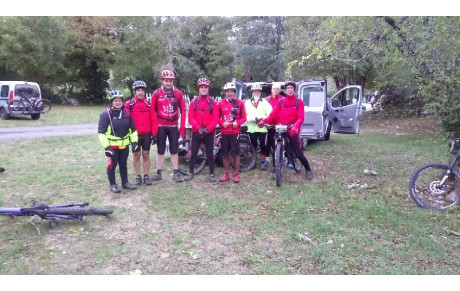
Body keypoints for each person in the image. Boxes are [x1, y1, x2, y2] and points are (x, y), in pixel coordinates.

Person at [259, 81, 314, 180]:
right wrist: (263, 121)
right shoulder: (281, 101)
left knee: (298, 153)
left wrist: (295, 126)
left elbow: (301, 118)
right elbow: (273, 115)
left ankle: (308, 170)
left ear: (294, 89)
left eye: (291, 88)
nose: (289, 89)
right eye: (287, 88)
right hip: (282, 128)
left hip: (293, 130)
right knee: (276, 148)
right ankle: (276, 166)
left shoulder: (299, 102)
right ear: (285, 90)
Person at [98, 90, 138, 193]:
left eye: (120, 100)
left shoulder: (127, 113)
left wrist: (134, 142)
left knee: (123, 165)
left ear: (122, 101)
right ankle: (113, 185)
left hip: (125, 146)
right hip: (112, 147)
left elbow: (132, 129)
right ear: (111, 101)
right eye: (115, 100)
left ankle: (125, 183)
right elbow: (101, 132)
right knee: (112, 166)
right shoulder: (106, 114)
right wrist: (106, 147)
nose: (118, 102)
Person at [151, 70, 187, 182]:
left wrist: (182, 129)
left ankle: (176, 173)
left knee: (174, 150)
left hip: (173, 126)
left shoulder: (178, 93)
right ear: (162, 81)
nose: (168, 83)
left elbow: (183, 111)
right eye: (166, 81)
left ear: (173, 82)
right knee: (160, 150)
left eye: (170, 81)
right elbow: (152, 111)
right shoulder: (156, 93)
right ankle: (158, 173)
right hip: (161, 126)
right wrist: (154, 129)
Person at [184, 78, 219, 182]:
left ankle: (212, 174)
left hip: (208, 132)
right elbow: (190, 118)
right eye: (202, 87)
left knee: (210, 153)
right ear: (199, 89)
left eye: (205, 87)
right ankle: (191, 172)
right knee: (193, 152)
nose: (203, 89)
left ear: (208, 89)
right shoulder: (194, 102)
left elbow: (215, 118)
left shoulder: (213, 103)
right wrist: (198, 128)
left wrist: (208, 129)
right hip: (196, 131)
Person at [124, 80, 153, 186]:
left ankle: (146, 175)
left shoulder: (149, 104)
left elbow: (153, 119)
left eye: (142, 90)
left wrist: (154, 133)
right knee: (136, 155)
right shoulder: (129, 104)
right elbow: (125, 120)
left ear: (144, 91)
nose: (140, 92)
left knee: (146, 155)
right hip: (134, 134)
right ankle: (138, 176)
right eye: (138, 90)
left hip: (146, 134)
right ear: (135, 92)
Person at [218, 82, 247, 183]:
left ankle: (236, 174)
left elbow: (244, 118)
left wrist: (238, 123)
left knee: (236, 154)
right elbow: (217, 118)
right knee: (225, 154)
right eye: (227, 91)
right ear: (225, 92)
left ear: (234, 92)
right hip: (225, 133)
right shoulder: (221, 103)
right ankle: (226, 174)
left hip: (235, 133)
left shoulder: (240, 103)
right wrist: (222, 124)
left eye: (231, 91)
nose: (229, 93)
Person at [244, 84, 272, 171]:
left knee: (263, 145)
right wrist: (250, 119)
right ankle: (254, 161)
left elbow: (270, 114)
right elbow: (244, 115)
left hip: (262, 128)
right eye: (255, 91)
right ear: (252, 92)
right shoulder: (247, 103)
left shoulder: (265, 103)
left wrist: (263, 119)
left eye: (258, 91)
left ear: (260, 92)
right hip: (251, 128)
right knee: (253, 145)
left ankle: (263, 162)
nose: (256, 93)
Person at [264, 83, 283, 171]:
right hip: (269, 124)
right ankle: (267, 159)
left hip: (279, 124)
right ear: (271, 90)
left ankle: (281, 159)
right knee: (269, 143)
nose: (275, 91)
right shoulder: (266, 100)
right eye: (274, 89)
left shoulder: (283, 99)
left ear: (279, 91)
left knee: (279, 144)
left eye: (277, 89)